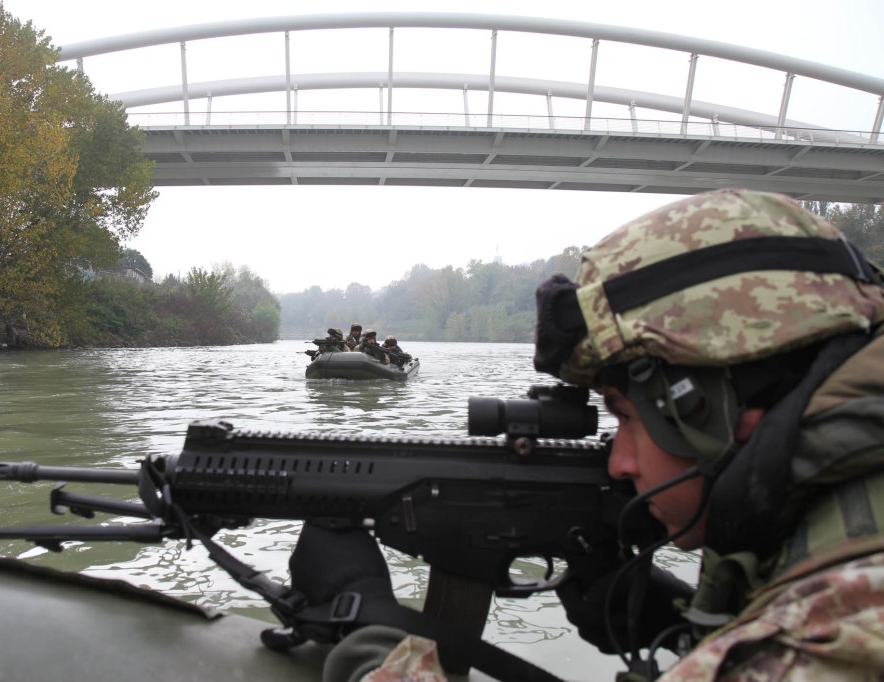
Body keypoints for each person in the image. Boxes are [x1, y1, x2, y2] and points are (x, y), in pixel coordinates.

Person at [314, 189, 884, 681]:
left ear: (704, 409)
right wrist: (685, 623)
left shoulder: (833, 640)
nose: (618, 463)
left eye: (627, 418)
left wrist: (370, 630)